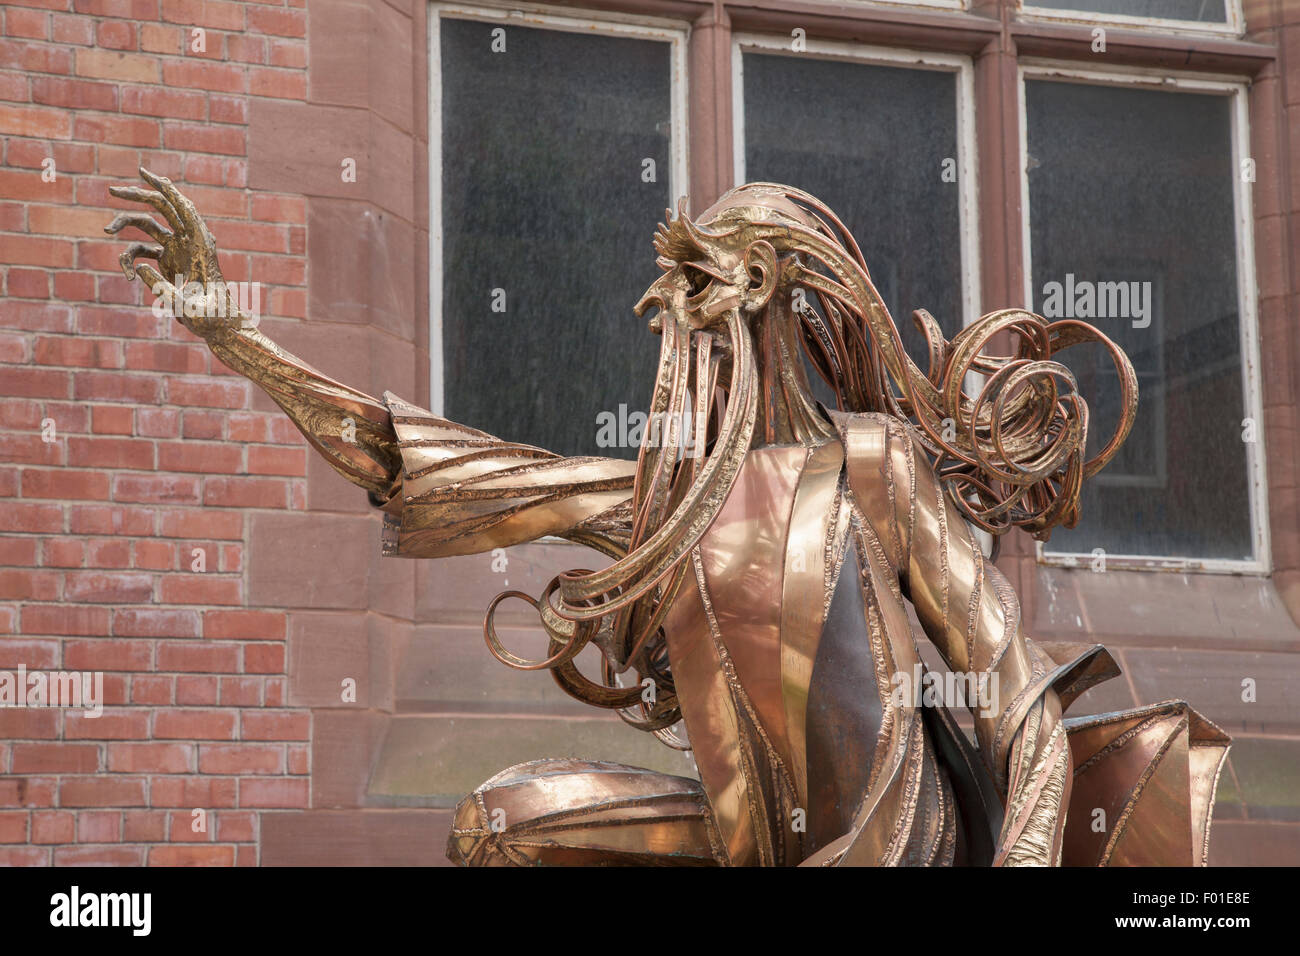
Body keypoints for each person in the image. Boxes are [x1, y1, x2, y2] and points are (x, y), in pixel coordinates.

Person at [106, 171, 1228, 866]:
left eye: (706, 281)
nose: (672, 314)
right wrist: (235, 339)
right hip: (750, 842)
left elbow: (1016, 700)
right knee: (495, 823)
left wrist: (1029, 846)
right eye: (674, 283)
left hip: (896, 851)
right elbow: (423, 464)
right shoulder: (666, 505)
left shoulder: (876, 470)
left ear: (772, 296)